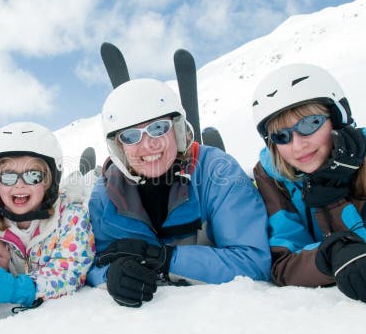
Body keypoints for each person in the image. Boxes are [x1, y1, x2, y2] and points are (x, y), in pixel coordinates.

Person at [87, 78, 271, 307]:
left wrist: (166, 259)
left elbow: (252, 261)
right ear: (119, 146)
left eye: (158, 128)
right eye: (131, 136)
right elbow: (88, 264)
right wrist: (111, 274)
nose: (148, 145)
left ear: (177, 129)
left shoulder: (218, 172)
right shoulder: (105, 197)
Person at [251, 63, 366, 303]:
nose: (298, 145)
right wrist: (330, 255)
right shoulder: (272, 177)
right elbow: (283, 263)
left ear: (338, 118)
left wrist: (333, 200)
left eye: (310, 124)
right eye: (281, 136)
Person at [0, 121, 94, 314]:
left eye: (33, 175)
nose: (19, 185)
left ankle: (86, 174)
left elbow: (70, 270)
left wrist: (18, 288)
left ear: (50, 181)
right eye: (8, 176)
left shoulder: (71, 218)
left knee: (81, 188)